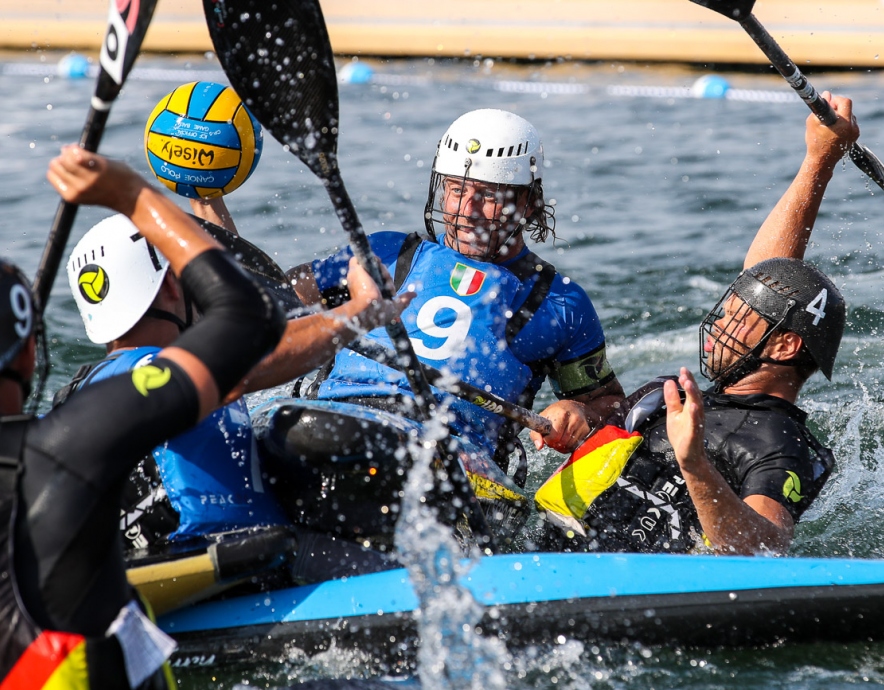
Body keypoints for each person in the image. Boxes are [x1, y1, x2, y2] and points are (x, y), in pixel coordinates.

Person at [1, 145, 285, 687]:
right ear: (30, 353)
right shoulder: (73, 439)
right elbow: (249, 319)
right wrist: (132, 194)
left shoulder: (76, 404)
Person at [537, 92, 859, 556]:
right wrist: (574, 415)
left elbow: (763, 547)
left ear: (785, 346)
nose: (722, 317)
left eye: (738, 314)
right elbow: (764, 277)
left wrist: (694, 463)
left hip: (630, 600)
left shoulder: (780, 445)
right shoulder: (673, 396)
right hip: (538, 560)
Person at [278, 109, 626, 471]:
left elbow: (611, 405)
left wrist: (579, 411)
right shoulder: (385, 252)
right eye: (456, 190)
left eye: (488, 195)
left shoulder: (560, 304)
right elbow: (280, 295)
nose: (466, 211)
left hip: (451, 454)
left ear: (528, 201)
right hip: (331, 417)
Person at [56, 213, 411, 555]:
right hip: (234, 573)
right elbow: (245, 360)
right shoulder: (165, 370)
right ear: (170, 286)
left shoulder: (82, 390)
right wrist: (363, 309)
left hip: (194, 566)